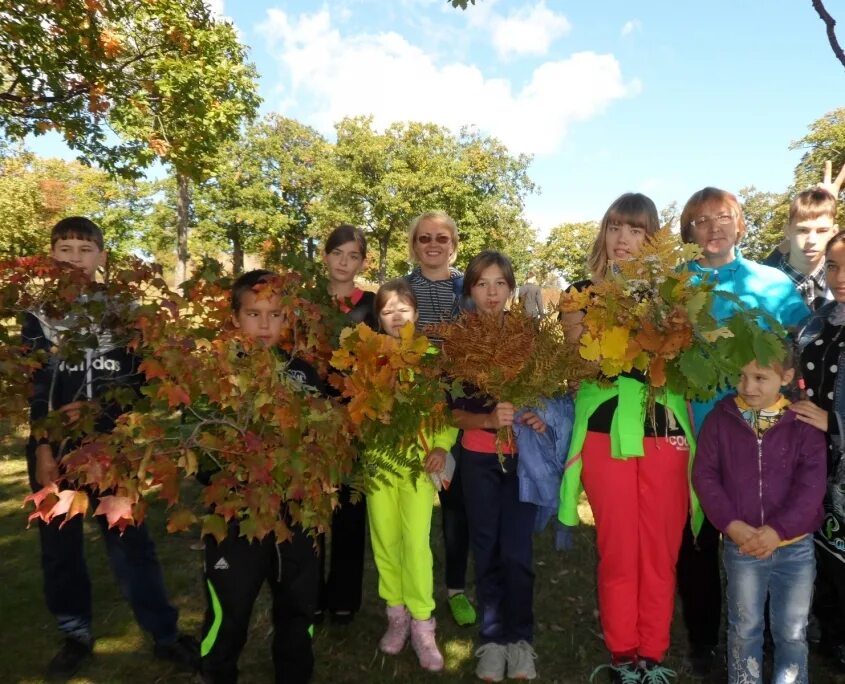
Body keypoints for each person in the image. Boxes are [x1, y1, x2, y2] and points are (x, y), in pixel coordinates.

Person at [23, 217, 197, 679]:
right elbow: (37, 385)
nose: (75, 258)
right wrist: (43, 447)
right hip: (54, 448)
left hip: (113, 450)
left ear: (101, 257)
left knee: (131, 543)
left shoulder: (124, 313)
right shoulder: (38, 314)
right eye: (65, 248)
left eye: (84, 249)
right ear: (51, 256)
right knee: (60, 549)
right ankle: (74, 632)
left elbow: (145, 380)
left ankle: (163, 633)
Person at [558, 194, 695, 683]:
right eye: (615, 227)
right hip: (605, 430)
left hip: (665, 431)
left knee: (659, 547)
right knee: (617, 547)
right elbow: (580, 363)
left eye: (636, 230)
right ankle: (623, 655)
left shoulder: (675, 295)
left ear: (652, 238)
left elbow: (682, 361)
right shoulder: (578, 295)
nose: (623, 239)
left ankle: (652, 656)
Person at [675, 187, 810, 677]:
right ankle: (704, 640)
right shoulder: (676, 285)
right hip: (693, 428)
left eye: (724, 218)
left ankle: (773, 637)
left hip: (765, 432)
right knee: (699, 538)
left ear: (741, 225)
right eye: (702, 220)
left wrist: (806, 404)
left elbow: (806, 346)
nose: (714, 228)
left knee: (766, 531)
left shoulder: (771, 283)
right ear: (690, 230)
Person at [199, 269, 326, 684]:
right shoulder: (215, 375)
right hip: (237, 514)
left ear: (287, 318)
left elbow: (327, 438)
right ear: (236, 318)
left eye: (274, 314)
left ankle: (294, 673)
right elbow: (199, 450)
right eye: (254, 314)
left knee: (298, 602)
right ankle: (217, 672)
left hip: (297, 514)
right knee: (229, 606)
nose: (265, 324)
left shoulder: (304, 373)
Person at [693, 353, 826, 684]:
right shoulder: (720, 419)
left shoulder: (803, 425)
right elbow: (705, 477)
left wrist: (778, 531)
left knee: (792, 632)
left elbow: (811, 486)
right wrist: (731, 525)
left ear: (786, 376)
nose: (748, 386)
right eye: (741, 376)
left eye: (760, 378)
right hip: (743, 547)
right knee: (744, 629)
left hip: (794, 549)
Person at [450, 249, 546, 682]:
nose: (492, 292)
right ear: (470, 289)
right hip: (478, 460)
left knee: (517, 553)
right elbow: (450, 412)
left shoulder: (527, 337)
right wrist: (488, 420)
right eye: (482, 283)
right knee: (486, 548)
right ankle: (492, 639)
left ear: (511, 289)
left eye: (500, 284)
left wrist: (534, 413)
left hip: (521, 462)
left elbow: (546, 390)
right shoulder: (458, 340)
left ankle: (520, 638)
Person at [366, 278, 458, 672]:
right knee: (385, 539)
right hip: (378, 464)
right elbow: (355, 406)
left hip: (420, 466)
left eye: (403, 307)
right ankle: (396, 614)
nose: (396, 316)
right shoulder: (367, 357)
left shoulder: (432, 357)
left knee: (416, 543)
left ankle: (423, 621)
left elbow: (448, 410)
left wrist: (442, 445)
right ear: (378, 319)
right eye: (387, 310)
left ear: (417, 313)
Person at [405, 211, 476, 628]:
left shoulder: (467, 290)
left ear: (454, 244)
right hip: (411, 411)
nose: (434, 244)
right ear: (414, 244)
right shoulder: (400, 290)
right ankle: (407, 589)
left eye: (442, 238)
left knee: (455, 504)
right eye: (425, 238)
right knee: (409, 505)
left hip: (458, 408)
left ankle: (455, 589)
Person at [792, 231, 845, 673]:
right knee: (821, 547)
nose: (840, 276)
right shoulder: (817, 321)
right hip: (812, 456)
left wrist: (836, 422)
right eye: (834, 266)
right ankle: (826, 630)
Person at [316, 224, 374, 624]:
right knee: (314, 507)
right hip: (311, 417)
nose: (344, 262)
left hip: (356, 418)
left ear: (362, 262)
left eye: (353, 256)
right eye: (338, 253)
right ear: (326, 256)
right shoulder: (307, 303)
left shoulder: (370, 304)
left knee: (351, 510)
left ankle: (343, 598)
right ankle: (309, 592)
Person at [763, 188, 838, 311]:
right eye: (803, 230)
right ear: (787, 231)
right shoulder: (762, 284)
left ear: (834, 232)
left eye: (822, 231)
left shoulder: (840, 282)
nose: (812, 240)